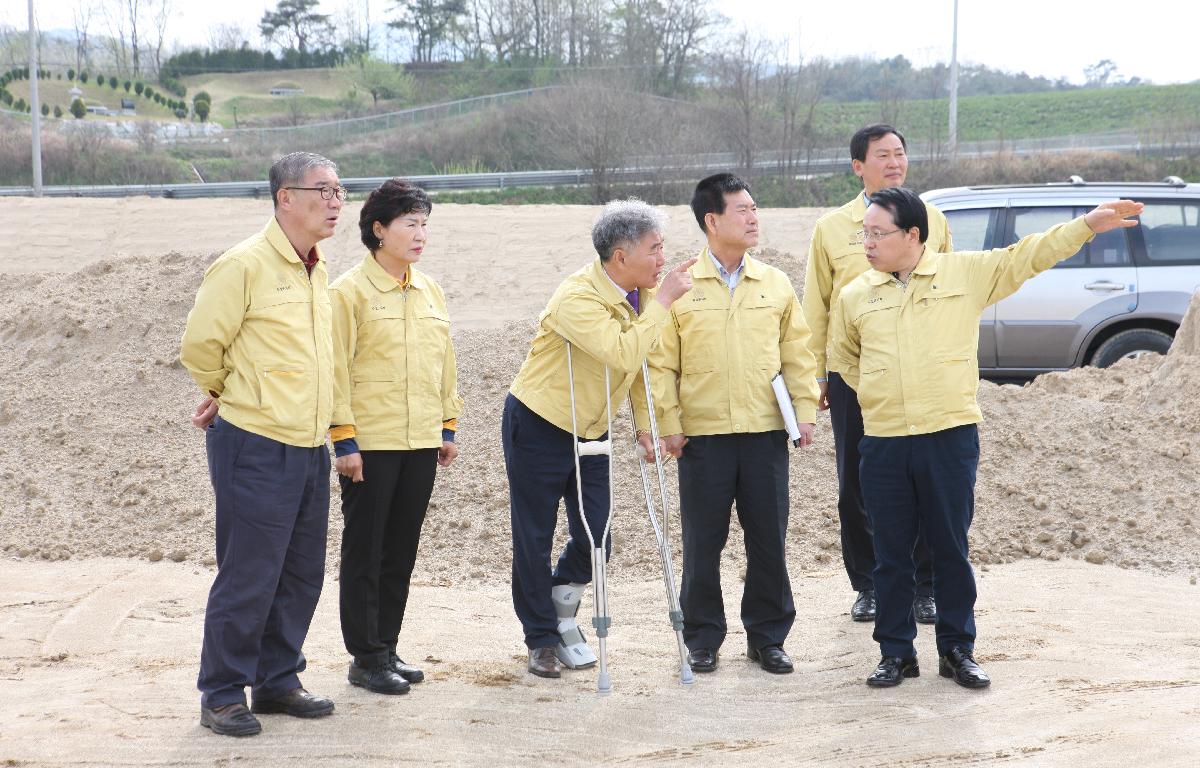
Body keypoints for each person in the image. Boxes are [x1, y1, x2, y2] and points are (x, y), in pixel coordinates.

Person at [828, 187, 1142, 689]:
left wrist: (1087, 225)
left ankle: (956, 650)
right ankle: (895, 653)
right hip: (884, 442)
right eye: (862, 233)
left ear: (912, 235)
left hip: (948, 437)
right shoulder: (855, 295)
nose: (866, 242)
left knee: (950, 549)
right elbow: (842, 358)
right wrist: (882, 393)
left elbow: (1027, 255)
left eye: (876, 233)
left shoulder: (963, 274)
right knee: (890, 554)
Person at [181, 151, 345, 737]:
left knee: (301, 572)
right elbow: (201, 345)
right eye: (321, 190)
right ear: (284, 198)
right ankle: (223, 692)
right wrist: (232, 392)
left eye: (338, 190)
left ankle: (278, 679)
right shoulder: (243, 265)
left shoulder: (318, 268)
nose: (334, 201)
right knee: (249, 572)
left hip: (308, 445)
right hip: (254, 442)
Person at [503, 199, 695, 679]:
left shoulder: (638, 294)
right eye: (654, 249)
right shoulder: (577, 297)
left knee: (599, 533)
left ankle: (558, 608)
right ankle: (541, 639)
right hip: (541, 420)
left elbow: (638, 365)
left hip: (592, 424)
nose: (662, 258)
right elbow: (621, 350)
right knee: (534, 533)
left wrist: (646, 427)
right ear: (620, 255)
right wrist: (667, 301)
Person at [649, 173, 819, 675]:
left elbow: (797, 353)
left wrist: (804, 411)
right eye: (741, 209)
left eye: (754, 208)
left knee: (768, 538)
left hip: (765, 433)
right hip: (703, 438)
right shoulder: (679, 286)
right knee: (703, 541)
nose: (753, 217)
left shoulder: (775, 283)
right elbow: (661, 364)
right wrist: (670, 423)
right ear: (712, 220)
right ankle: (702, 638)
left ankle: (768, 637)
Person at [803, 124, 953, 626]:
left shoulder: (931, 218)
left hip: (919, 372)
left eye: (900, 154)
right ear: (857, 166)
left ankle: (925, 587)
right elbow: (817, 307)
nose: (894, 162)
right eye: (882, 155)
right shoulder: (831, 228)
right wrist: (820, 374)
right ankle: (868, 584)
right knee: (857, 479)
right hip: (854, 373)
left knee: (925, 478)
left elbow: (947, 290)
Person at [328, 179, 464, 695]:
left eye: (424, 223)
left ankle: (386, 645)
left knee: (401, 550)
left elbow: (444, 363)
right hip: (371, 442)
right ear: (378, 229)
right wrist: (343, 440)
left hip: (420, 441)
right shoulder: (349, 292)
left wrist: (447, 426)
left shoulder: (430, 291)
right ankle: (364, 657)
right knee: (366, 549)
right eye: (410, 223)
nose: (420, 233)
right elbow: (336, 369)